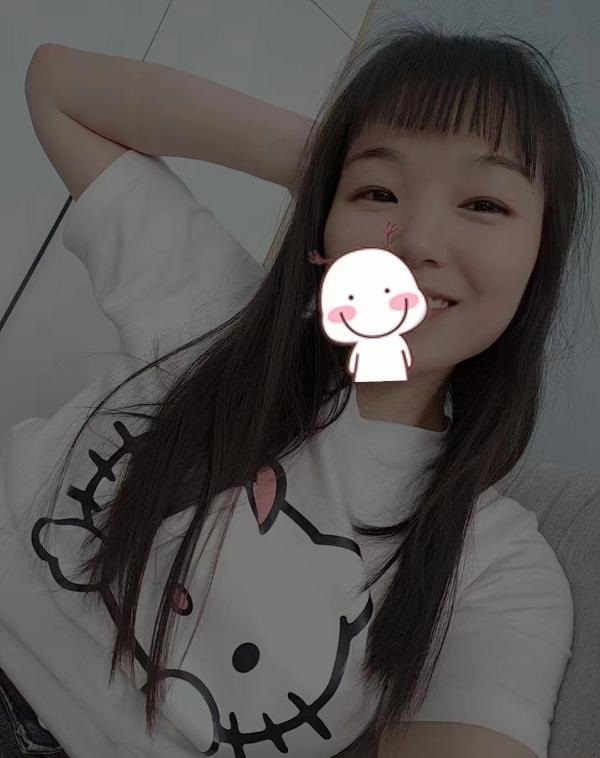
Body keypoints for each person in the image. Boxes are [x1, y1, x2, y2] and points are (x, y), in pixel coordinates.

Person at [3, 19, 596, 758]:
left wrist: (377, 179)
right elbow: (57, 88)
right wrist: (326, 165)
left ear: (541, 254)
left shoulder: (495, 569)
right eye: (377, 193)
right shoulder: (213, 308)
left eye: (483, 204)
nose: (415, 240)